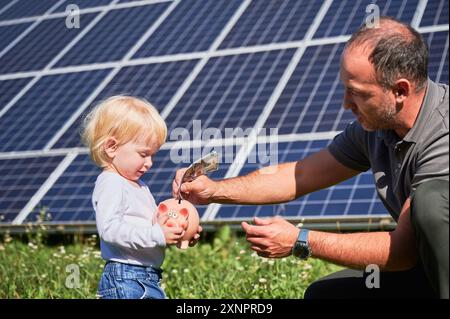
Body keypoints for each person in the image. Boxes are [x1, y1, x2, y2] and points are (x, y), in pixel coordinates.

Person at [172, 17, 449, 299]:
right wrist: (215, 190)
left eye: (357, 93)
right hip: (429, 271)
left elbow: (402, 252)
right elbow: (301, 175)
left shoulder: (443, 135)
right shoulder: (376, 128)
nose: (345, 104)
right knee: (324, 296)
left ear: (399, 91)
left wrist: (300, 240)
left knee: (430, 200)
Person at [82, 95, 201, 299]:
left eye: (153, 155)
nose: (149, 163)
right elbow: (109, 229)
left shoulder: (138, 186)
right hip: (126, 278)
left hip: (146, 277)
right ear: (112, 147)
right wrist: (157, 235)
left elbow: (148, 225)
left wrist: (179, 229)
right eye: (143, 154)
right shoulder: (111, 183)